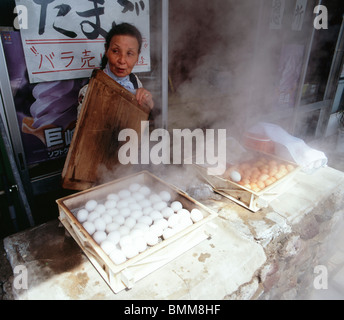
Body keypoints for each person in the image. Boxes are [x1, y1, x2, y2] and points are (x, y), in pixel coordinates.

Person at [78, 23, 154, 116]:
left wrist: (148, 106)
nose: (122, 60)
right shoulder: (89, 91)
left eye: (129, 53)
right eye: (115, 51)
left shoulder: (135, 82)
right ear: (106, 50)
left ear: (138, 56)